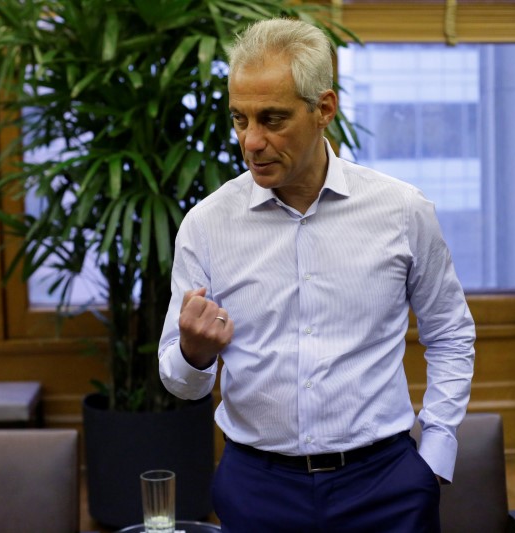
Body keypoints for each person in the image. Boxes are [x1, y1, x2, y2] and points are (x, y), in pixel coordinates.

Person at [158, 18, 475, 533]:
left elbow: (449, 331)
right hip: (257, 486)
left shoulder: (402, 211)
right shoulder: (207, 225)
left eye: (272, 119)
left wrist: (434, 453)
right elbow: (180, 382)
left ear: (324, 109)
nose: (251, 141)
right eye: (239, 119)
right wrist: (195, 354)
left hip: (385, 486)